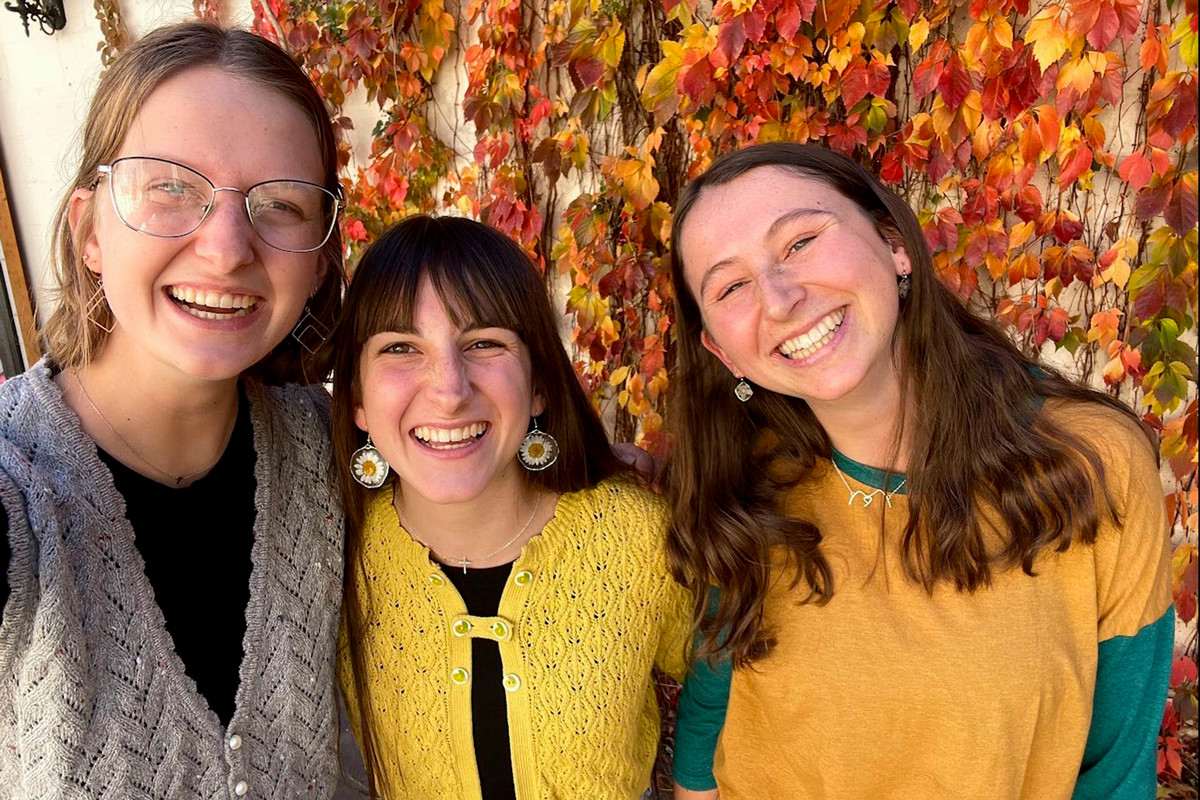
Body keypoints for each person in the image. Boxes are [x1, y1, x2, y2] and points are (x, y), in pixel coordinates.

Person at [664, 143, 1173, 800]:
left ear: (893, 241)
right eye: (731, 286)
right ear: (720, 349)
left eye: (799, 243)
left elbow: (1118, 771)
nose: (781, 298)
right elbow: (712, 712)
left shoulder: (1092, 462)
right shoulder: (744, 490)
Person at [0, 22, 347, 798]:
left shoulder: (328, 448)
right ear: (90, 230)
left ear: (320, 261)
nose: (227, 248)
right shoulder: (17, 483)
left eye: (282, 205)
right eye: (170, 187)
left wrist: (573, 459)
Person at [329, 214, 692, 800]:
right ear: (357, 402)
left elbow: (729, 670)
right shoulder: (330, 552)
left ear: (539, 383)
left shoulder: (637, 534)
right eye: (400, 347)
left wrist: (696, 783)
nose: (449, 391)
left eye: (484, 343)